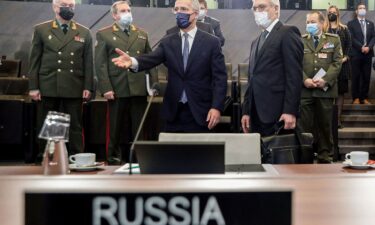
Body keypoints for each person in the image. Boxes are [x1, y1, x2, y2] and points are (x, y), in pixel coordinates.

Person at [112, 0, 227, 132]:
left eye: (183, 9)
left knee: (199, 152)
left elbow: (220, 79)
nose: (179, 13)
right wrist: (132, 62)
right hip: (174, 111)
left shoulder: (212, 42)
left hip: (201, 111)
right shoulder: (168, 41)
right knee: (171, 152)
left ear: (195, 14)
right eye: (176, 9)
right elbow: (152, 58)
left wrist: (216, 107)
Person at [28, 0, 93, 160]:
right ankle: (49, 158)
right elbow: (34, 61)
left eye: (71, 5)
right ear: (55, 7)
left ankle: (77, 158)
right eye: (65, 4)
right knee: (51, 124)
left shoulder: (84, 32)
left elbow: (88, 63)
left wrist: (88, 86)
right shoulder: (42, 29)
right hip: (49, 85)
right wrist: (33, 87)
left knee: (75, 126)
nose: (69, 8)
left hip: (74, 85)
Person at [95, 1, 157, 165]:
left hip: (138, 87)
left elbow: (150, 60)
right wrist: (106, 87)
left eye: (129, 10)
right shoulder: (104, 34)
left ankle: (138, 158)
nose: (127, 13)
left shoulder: (142, 34)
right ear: (115, 15)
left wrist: (154, 85)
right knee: (114, 127)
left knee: (139, 127)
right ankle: (113, 157)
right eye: (123, 11)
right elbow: (100, 64)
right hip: (117, 87)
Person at [241, 0, 303, 136]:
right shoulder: (255, 42)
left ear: (276, 9)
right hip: (256, 114)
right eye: (255, 9)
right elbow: (252, 79)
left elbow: (294, 76)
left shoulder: (288, 33)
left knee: (278, 156)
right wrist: (246, 111)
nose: (258, 12)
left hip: (278, 114)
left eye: (262, 7)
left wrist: (290, 111)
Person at [299, 11, 343, 163]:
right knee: (305, 128)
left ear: (321, 23)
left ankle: (325, 157)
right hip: (305, 91)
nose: (309, 25)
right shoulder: (301, 40)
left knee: (325, 126)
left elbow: (337, 63)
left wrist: (325, 80)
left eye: (312, 21)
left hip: (325, 91)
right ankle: (305, 157)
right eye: (308, 22)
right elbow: (296, 64)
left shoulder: (333, 40)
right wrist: (304, 80)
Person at [324, 5, 352, 128]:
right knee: (328, 92)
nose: (332, 14)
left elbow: (349, 46)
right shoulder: (324, 28)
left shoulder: (344, 29)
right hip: (327, 66)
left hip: (342, 66)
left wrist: (345, 57)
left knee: (340, 93)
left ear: (338, 14)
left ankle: (338, 119)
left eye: (334, 12)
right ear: (327, 14)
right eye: (330, 12)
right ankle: (329, 120)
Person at [347, 2, 375, 104]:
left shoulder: (370, 23)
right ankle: (356, 98)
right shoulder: (351, 23)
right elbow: (351, 37)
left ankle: (364, 97)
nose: (362, 9)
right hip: (356, 53)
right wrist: (361, 47)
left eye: (364, 8)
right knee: (356, 76)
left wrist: (369, 47)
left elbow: (373, 37)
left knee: (366, 76)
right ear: (356, 11)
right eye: (360, 8)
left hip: (368, 54)